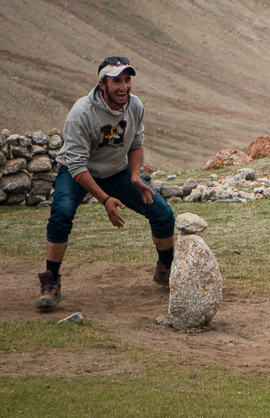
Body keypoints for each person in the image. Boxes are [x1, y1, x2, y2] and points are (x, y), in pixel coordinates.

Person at [36, 56, 176, 309]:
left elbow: (135, 142)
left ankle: (167, 269)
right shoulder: (81, 113)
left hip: (115, 170)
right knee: (61, 214)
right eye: (116, 81)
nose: (124, 87)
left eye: (127, 80)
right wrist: (105, 200)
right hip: (77, 171)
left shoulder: (134, 106)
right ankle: (51, 283)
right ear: (103, 84)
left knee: (162, 212)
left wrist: (135, 175)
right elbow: (76, 164)